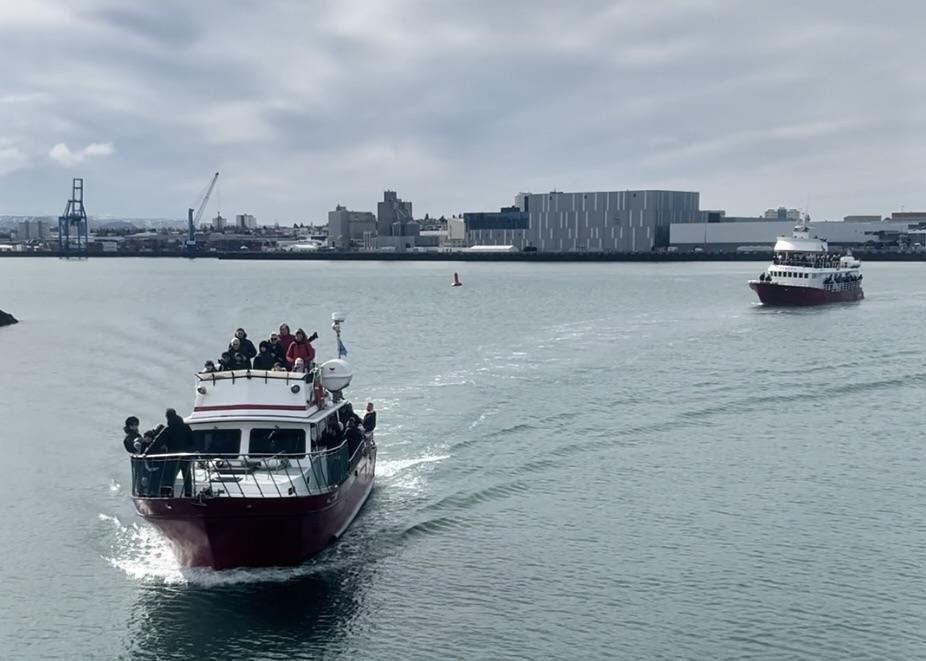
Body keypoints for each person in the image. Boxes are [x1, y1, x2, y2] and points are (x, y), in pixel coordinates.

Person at [151, 409, 195, 497]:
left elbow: (157, 442)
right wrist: (191, 451)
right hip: (186, 456)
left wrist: (146, 453)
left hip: (173, 456)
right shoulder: (186, 427)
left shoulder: (168, 429)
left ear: (167, 417)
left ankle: (169, 494)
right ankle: (188, 494)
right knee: (187, 476)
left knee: (170, 477)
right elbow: (193, 440)